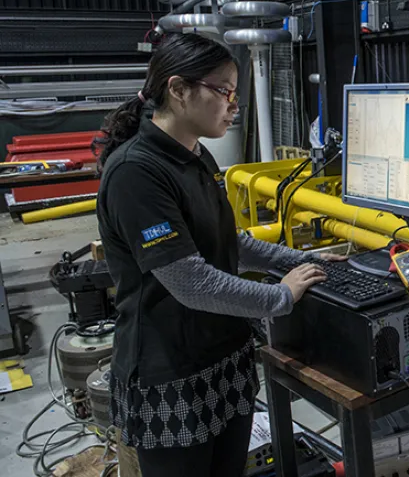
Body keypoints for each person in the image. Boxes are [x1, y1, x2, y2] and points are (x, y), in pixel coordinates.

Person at [93, 33, 344, 477]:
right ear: (178, 89)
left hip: (222, 358)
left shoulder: (196, 155)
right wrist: (279, 297)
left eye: (235, 93)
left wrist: (299, 262)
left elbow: (232, 241)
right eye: (224, 91)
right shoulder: (137, 172)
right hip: (170, 374)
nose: (233, 104)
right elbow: (190, 281)